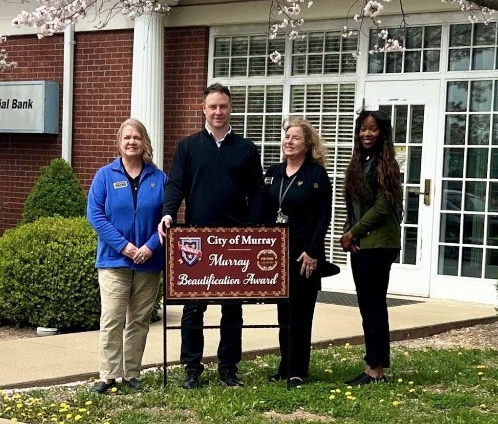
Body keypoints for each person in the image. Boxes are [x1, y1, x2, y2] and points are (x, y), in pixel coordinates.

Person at [158, 82, 265, 389]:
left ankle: (229, 368)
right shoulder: (188, 147)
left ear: (231, 109)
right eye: (213, 106)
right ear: (203, 110)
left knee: (232, 309)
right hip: (196, 241)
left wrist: (251, 229)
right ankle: (192, 368)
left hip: (234, 243)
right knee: (193, 310)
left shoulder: (246, 148)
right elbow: (175, 184)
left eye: (223, 106)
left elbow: (258, 192)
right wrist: (168, 212)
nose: (218, 112)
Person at [87, 118, 167, 393]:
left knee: (139, 321)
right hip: (114, 260)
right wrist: (125, 247)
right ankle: (108, 375)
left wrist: (150, 246)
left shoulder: (159, 178)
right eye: (126, 138)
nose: (131, 142)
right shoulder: (105, 175)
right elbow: (95, 215)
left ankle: (131, 374)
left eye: (137, 137)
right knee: (111, 319)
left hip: (149, 261)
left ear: (144, 142)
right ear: (119, 143)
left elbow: (168, 219)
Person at [263, 118, 332, 388]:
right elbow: (264, 209)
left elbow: (324, 215)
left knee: (301, 315)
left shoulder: (316, 175)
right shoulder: (273, 172)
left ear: (307, 144)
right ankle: (284, 365)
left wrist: (314, 251)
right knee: (284, 314)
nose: (288, 142)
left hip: (305, 255)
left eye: (295, 138)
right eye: (287, 137)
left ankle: (298, 370)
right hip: (277, 255)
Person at [340, 110, 402, 385]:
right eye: (363, 129)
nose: (367, 134)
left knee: (374, 306)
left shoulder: (385, 165)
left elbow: (382, 207)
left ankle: (375, 370)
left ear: (382, 133)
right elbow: (354, 205)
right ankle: (372, 365)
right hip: (362, 244)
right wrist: (348, 232)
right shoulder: (360, 162)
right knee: (367, 306)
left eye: (373, 129)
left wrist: (353, 232)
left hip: (378, 245)